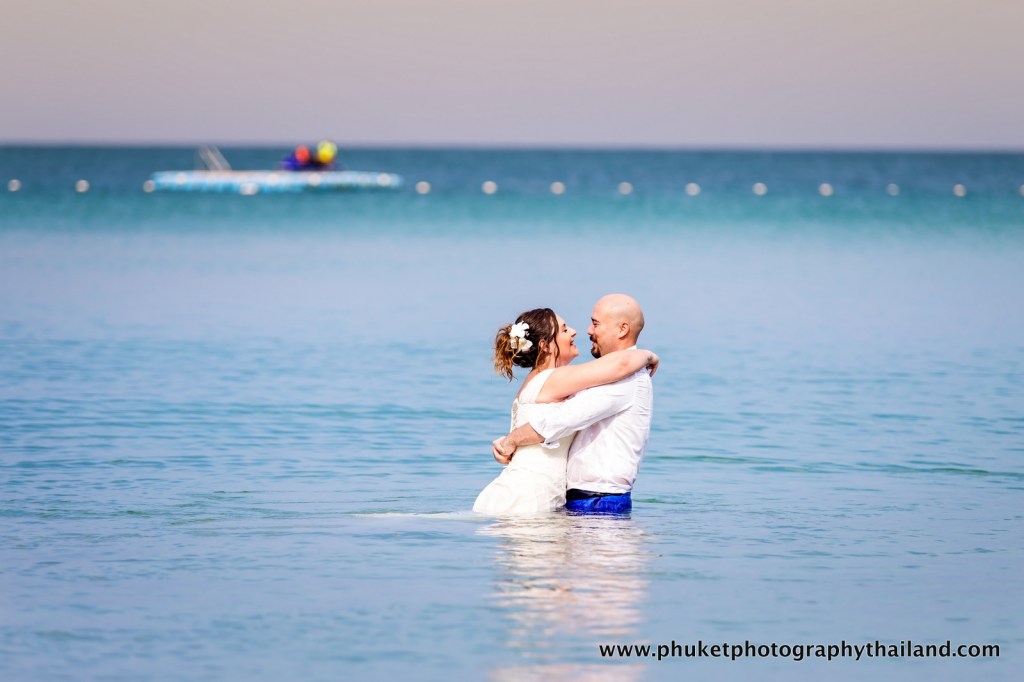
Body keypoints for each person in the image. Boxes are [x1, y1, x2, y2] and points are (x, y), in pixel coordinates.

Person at [473, 307, 658, 515]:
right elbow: (622, 363)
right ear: (545, 345)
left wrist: (510, 440)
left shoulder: (537, 380)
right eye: (563, 330)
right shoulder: (554, 378)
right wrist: (646, 354)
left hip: (519, 489)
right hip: (532, 494)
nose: (573, 331)